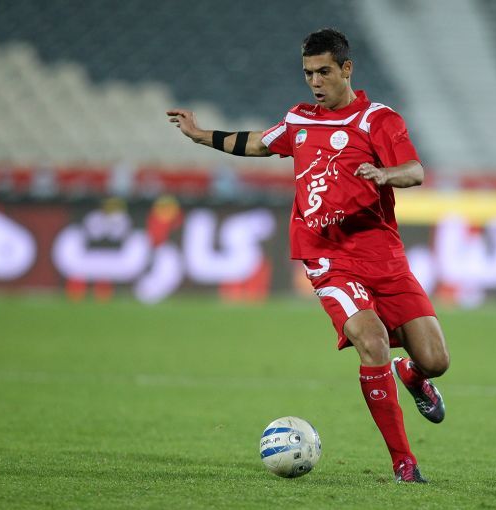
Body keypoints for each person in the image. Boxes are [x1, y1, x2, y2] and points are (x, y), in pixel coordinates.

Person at [167, 28, 450, 483]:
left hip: (383, 256)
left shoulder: (378, 120)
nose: (315, 82)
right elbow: (260, 143)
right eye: (308, 73)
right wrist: (201, 136)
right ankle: (404, 462)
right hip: (328, 258)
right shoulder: (300, 119)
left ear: (346, 68)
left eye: (324, 72)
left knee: (436, 360)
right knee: (372, 340)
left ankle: (413, 375)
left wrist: (385, 174)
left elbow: (415, 170)